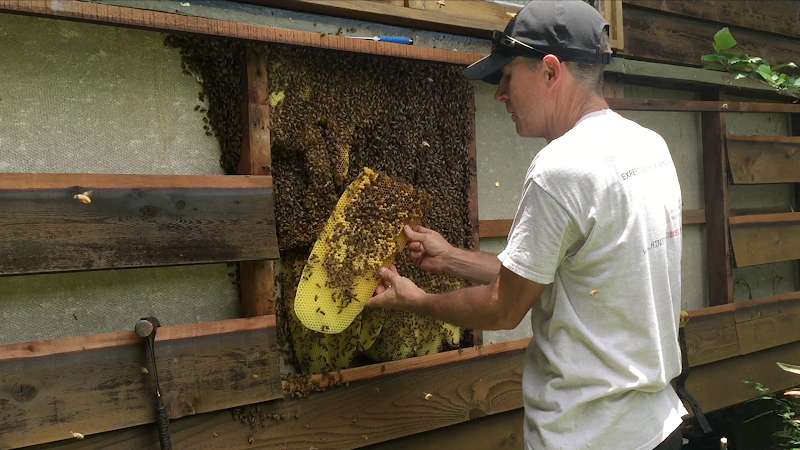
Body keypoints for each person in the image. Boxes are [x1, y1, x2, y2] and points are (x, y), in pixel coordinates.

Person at [367, 1, 687, 449]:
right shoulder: (648, 147)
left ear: (550, 71)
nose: (499, 95)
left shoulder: (561, 168)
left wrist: (416, 300)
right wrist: (452, 258)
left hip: (588, 436)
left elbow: (504, 308)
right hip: (656, 426)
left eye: (508, 76)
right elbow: (562, 272)